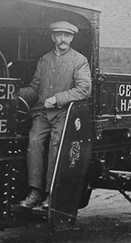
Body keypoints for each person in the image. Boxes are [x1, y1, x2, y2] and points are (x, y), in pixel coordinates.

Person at [18, 20, 92, 209]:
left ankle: (52, 193)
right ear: (53, 37)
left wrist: (58, 98)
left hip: (64, 114)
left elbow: (84, 89)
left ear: (72, 38)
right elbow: (35, 88)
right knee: (33, 142)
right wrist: (15, 94)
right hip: (42, 113)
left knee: (56, 146)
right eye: (59, 35)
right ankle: (34, 192)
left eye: (67, 36)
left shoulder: (79, 61)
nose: (63, 39)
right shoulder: (44, 60)